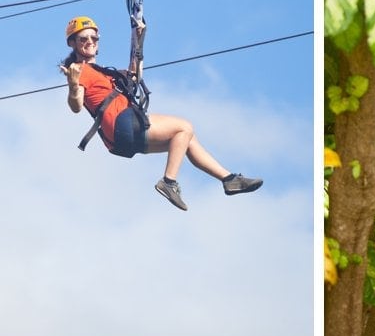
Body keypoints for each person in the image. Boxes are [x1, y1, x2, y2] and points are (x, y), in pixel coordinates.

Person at [60, 16, 262, 211]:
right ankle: (169, 182)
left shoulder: (105, 73)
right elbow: (76, 106)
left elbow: (136, 74)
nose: (90, 42)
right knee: (184, 127)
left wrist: (139, 38)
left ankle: (229, 180)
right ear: (73, 43)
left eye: (93, 38)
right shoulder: (79, 70)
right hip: (121, 122)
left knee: (185, 139)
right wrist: (72, 84)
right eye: (83, 39)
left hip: (119, 139)